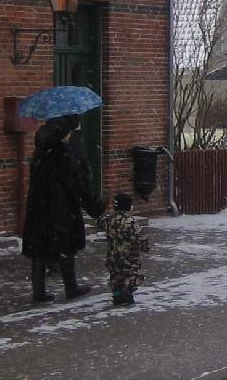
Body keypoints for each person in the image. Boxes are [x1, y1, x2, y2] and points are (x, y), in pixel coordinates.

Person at [22, 118, 103, 302]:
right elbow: (77, 185)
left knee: (39, 250)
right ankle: (71, 287)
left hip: (38, 209)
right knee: (66, 246)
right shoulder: (64, 156)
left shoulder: (39, 153)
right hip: (61, 208)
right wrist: (95, 206)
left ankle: (38, 291)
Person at [99, 193, 146, 306]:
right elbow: (139, 237)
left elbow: (100, 222)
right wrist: (145, 247)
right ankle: (127, 293)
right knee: (132, 274)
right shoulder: (130, 222)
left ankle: (117, 295)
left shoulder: (109, 220)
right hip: (128, 256)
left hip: (112, 256)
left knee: (116, 276)